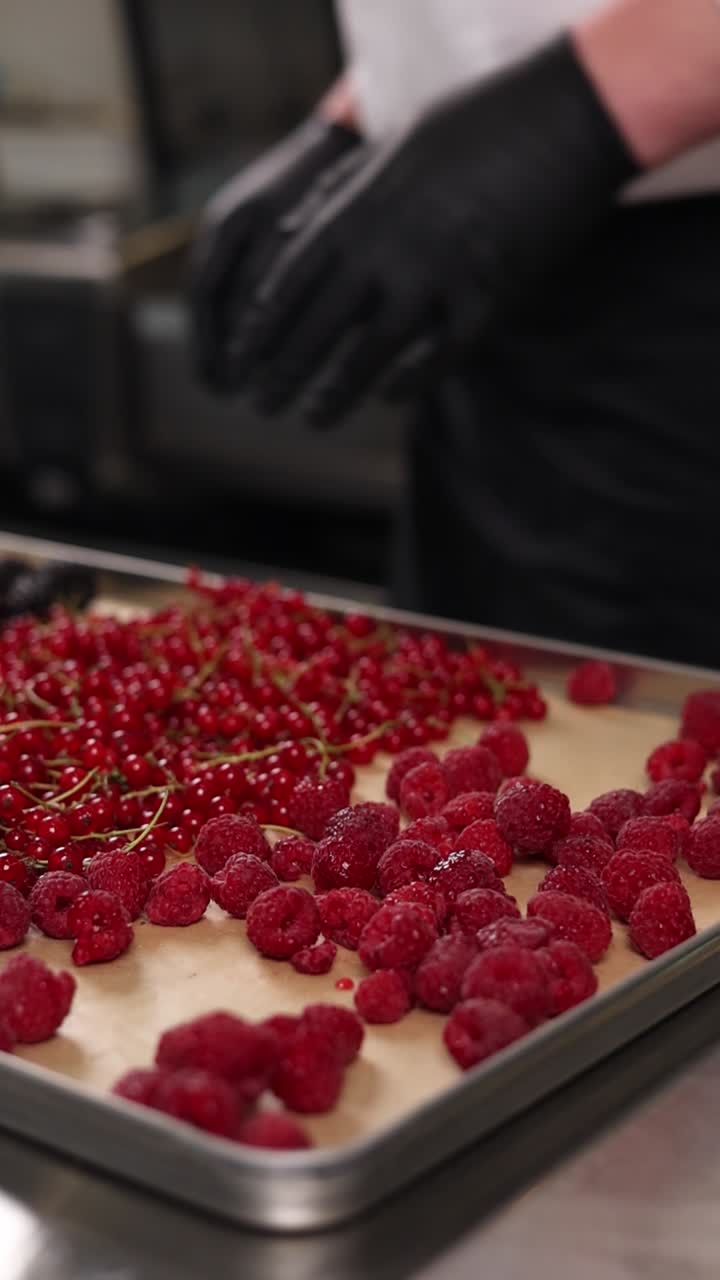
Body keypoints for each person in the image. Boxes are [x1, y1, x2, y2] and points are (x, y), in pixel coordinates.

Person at [190, 0, 720, 666]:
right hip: (493, 257)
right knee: (474, 708)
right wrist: (366, 109)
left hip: (683, 282)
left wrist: (570, 107)